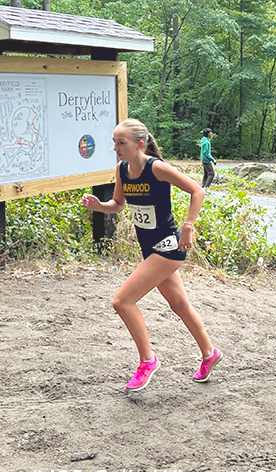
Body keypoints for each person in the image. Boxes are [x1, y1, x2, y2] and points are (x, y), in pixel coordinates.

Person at [81, 119, 221, 392]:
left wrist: (188, 225)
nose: (115, 148)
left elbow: (197, 190)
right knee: (179, 304)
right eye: (114, 142)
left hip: (169, 247)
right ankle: (209, 353)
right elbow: (118, 205)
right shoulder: (122, 169)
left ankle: (148, 360)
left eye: (121, 143)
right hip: (149, 249)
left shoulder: (156, 168)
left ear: (139, 144)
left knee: (122, 301)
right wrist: (100, 206)